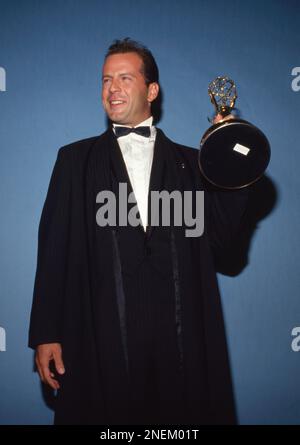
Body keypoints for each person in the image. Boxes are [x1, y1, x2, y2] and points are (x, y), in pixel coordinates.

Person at [29, 38, 249, 425]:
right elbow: (53, 251)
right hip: (102, 337)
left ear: (151, 90)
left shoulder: (194, 164)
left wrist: (230, 158)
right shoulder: (73, 160)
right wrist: (47, 332)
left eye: (125, 78)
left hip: (179, 340)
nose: (112, 88)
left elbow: (223, 242)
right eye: (106, 80)